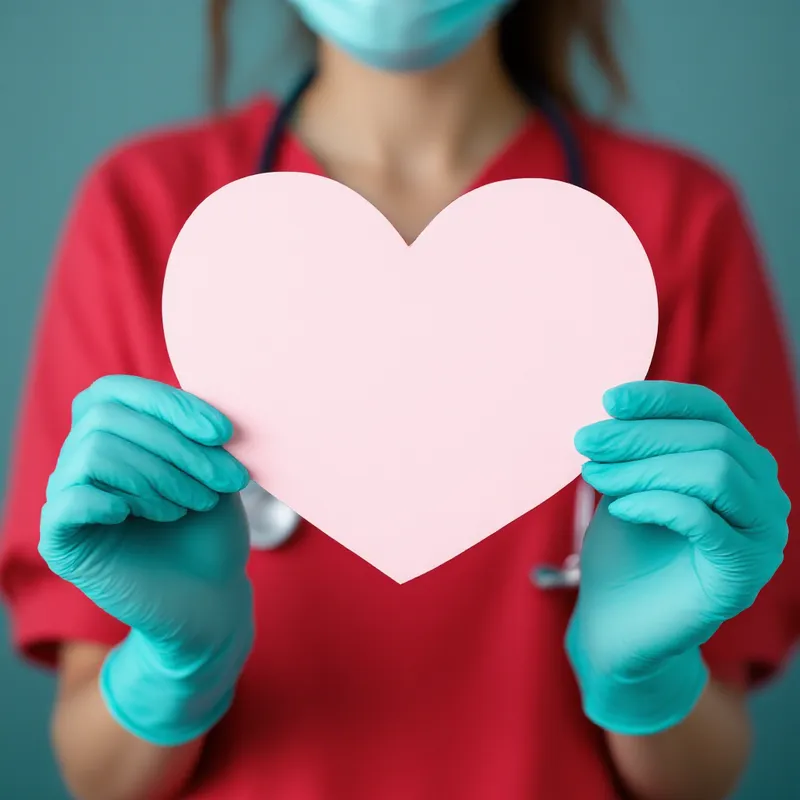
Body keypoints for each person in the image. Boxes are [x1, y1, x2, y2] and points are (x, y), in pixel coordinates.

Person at [1, 1, 799, 798]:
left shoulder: (679, 225)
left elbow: (699, 779)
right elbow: (97, 779)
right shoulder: (145, 211)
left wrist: (643, 682)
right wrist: (172, 673)